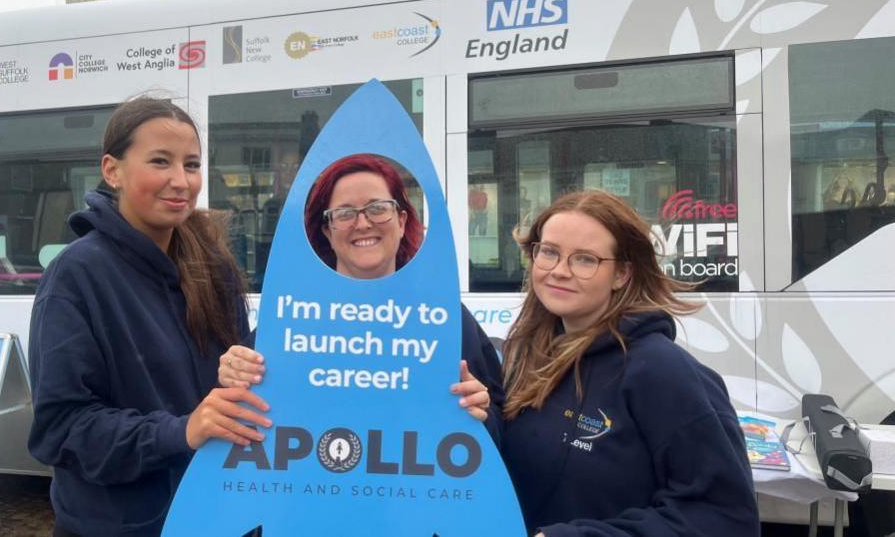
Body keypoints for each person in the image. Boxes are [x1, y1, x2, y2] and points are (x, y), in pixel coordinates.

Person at [27, 96, 271, 537]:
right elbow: (61, 430)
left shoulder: (212, 264)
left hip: (218, 517)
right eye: (161, 161)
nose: (181, 181)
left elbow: (251, 382)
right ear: (112, 170)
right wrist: (181, 432)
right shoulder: (76, 276)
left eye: (192, 165)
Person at [500, 190, 758, 536]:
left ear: (622, 274)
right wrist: (482, 415)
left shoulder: (662, 371)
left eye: (585, 259)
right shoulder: (525, 353)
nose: (559, 271)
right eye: (549, 252)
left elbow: (725, 519)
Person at [219, 154, 503, 432]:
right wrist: (232, 374)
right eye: (344, 214)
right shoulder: (295, 316)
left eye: (377, 208)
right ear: (328, 232)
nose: (363, 223)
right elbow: (237, 416)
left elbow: (499, 424)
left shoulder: (443, 317)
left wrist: (482, 415)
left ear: (402, 221)